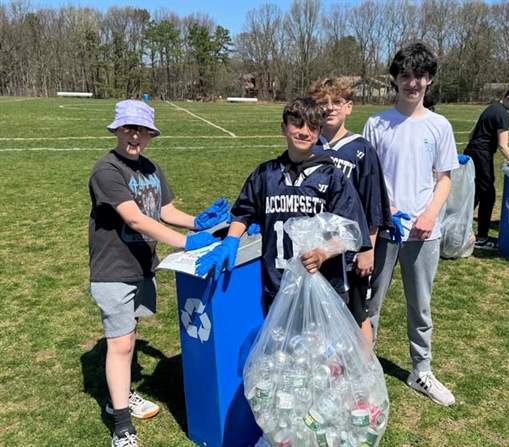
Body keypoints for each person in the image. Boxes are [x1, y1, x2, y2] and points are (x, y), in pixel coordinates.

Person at [89, 100, 229, 447]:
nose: (134, 136)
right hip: (113, 270)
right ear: (117, 130)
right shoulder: (107, 170)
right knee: (120, 344)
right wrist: (187, 242)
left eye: (141, 130)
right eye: (128, 129)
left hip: (142, 267)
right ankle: (121, 425)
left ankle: (118, 396)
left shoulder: (151, 168)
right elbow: (135, 218)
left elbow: (164, 209)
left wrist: (199, 222)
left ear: (150, 135)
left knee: (129, 335)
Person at [195, 97, 371, 316]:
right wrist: (231, 240)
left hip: (320, 285)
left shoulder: (333, 177)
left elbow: (349, 230)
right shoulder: (265, 174)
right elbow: (243, 213)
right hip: (276, 284)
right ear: (284, 128)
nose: (304, 132)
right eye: (297, 124)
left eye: (312, 127)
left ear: (319, 132)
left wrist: (323, 254)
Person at [363, 42, 459, 406]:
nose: (412, 83)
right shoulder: (377, 124)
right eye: (405, 76)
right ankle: (363, 367)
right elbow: (368, 177)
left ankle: (421, 370)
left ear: (429, 80)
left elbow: (445, 178)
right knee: (371, 303)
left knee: (420, 306)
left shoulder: (439, 126)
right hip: (383, 231)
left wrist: (430, 213)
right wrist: (382, 208)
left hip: (424, 234)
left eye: (419, 76)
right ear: (394, 80)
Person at [308, 77, 393, 345]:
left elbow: (373, 204)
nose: (330, 108)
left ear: (349, 107)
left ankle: (363, 376)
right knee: (318, 315)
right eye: (323, 102)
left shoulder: (361, 149)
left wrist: (367, 250)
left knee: (357, 315)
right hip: (317, 248)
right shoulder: (310, 146)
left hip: (350, 250)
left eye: (337, 102)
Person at [463, 85, 509, 249]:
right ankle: (482, 237)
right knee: (488, 196)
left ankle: (458, 229)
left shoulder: (491, 108)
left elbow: (471, 134)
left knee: (475, 195)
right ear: (508, 98)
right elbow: (503, 146)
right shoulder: (503, 114)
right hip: (481, 155)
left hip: (471, 152)